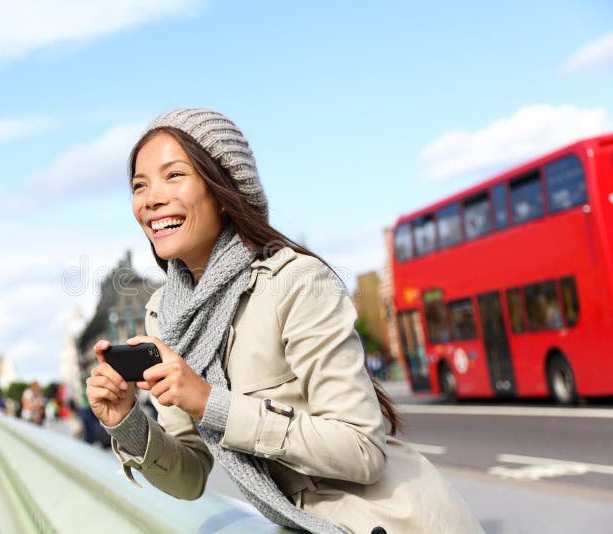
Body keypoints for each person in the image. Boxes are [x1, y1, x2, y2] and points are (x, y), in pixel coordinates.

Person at [86, 109, 482, 533]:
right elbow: (190, 478)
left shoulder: (297, 282)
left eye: (174, 175)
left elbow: (362, 449)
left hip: (392, 520)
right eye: (139, 185)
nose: (151, 198)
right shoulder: (166, 316)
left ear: (222, 190)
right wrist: (126, 422)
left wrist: (210, 402)